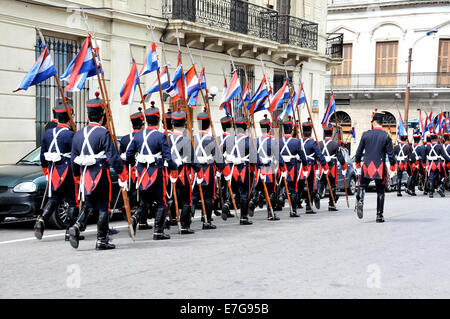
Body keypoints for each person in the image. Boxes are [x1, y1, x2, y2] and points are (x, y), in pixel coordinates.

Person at [69, 92, 128, 250]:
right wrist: (122, 173)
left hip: (85, 176)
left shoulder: (78, 135)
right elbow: (113, 157)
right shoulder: (104, 133)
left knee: (89, 204)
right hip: (101, 174)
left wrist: (76, 176)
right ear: (102, 116)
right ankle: (101, 240)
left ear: (88, 116)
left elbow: (72, 159)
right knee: (103, 207)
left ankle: (76, 226)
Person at [126, 105, 178, 239]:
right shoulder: (161, 136)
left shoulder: (137, 136)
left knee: (145, 201)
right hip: (157, 173)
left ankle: (135, 218)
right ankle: (158, 232)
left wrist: (135, 164)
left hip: (142, 173)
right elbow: (167, 157)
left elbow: (129, 155)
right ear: (158, 120)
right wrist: (174, 167)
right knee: (161, 202)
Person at [35, 98, 80, 241]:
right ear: (70, 117)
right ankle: (69, 231)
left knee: (55, 197)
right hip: (67, 170)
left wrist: (46, 171)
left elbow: (43, 154)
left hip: (54, 170)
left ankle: (41, 220)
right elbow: (75, 155)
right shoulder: (70, 134)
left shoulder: (49, 133)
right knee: (73, 201)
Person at [354, 111, 396, 223]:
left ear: (373, 123)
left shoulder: (365, 135)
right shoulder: (386, 136)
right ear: (381, 123)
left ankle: (361, 200)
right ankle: (379, 215)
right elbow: (391, 155)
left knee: (362, 186)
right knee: (380, 191)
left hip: (367, 166)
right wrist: (392, 167)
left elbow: (358, 153)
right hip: (380, 166)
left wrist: (358, 163)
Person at [119, 110, 149, 229]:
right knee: (144, 195)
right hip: (140, 170)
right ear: (142, 125)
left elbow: (121, 155)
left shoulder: (125, 139)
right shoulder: (145, 137)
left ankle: (133, 214)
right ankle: (142, 221)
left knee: (133, 193)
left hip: (128, 170)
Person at [169, 107, 196, 234]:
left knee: (167, 197)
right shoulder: (186, 140)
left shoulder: (166, 139)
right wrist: (198, 170)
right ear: (184, 125)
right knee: (186, 199)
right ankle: (185, 226)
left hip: (168, 173)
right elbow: (192, 159)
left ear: (172, 125)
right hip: (182, 173)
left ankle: (166, 221)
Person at [256, 114, 286, 220]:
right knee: (271, 191)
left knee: (259, 186)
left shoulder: (256, 141)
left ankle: (259, 195)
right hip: (269, 169)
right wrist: (283, 167)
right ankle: (270, 213)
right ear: (269, 129)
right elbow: (278, 157)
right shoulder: (272, 141)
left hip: (259, 169)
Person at [192, 109, 217, 229]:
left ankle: (186, 221)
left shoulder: (191, 138)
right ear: (208, 124)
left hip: (194, 171)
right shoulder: (211, 140)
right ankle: (206, 221)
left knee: (193, 195)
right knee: (208, 196)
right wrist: (225, 171)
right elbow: (218, 158)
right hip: (208, 170)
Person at [228, 116, 255, 225]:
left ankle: (228, 203)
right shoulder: (249, 141)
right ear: (245, 128)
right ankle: (244, 217)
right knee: (245, 193)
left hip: (233, 169)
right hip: (245, 169)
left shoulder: (230, 140)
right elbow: (254, 158)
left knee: (234, 190)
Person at [279, 117, 307, 217]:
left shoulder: (278, 141)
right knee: (293, 189)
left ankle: (277, 204)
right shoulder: (296, 142)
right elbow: (303, 157)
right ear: (291, 130)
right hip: (292, 167)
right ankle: (293, 211)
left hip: (280, 168)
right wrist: (305, 167)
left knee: (278, 186)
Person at [300, 121, 328, 214]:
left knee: (298, 186)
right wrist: (324, 165)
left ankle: (294, 207)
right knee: (310, 186)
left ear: (303, 131)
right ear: (311, 131)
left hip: (299, 167)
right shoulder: (312, 143)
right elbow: (319, 155)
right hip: (309, 166)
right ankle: (308, 206)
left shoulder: (298, 141)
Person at [318, 124, 347, 211]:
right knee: (332, 185)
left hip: (322, 167)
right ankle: (331, 204)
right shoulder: (335, 144)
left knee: (322, 183)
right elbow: (340, 157)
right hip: (331, 167)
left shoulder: (319, 144)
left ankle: (318, 195)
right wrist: (344, 167)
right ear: (331, 133)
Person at [217, 115, 235, 220]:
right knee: (230, 187)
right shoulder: (233, 139)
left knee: (223, 187)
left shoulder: (218, 138)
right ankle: (226, 205)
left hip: (219, 166)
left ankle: (223, 206)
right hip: (229, 165)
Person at [425, 130, 450, 198]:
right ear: (436, 139)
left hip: (431, 164)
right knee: (443, 176)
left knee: (431, 178)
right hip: (438, 164)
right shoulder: (439, 146)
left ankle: (431, 192)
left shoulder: (427, 147)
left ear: (431, 139)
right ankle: (440, 187)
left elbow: (424, 156)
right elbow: (444, 155)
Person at [406, 129, 425, 196]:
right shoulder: (420, 148)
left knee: (412, 176)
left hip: (409, 164)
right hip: (416, 164)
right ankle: (411, 188)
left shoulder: (410, 147)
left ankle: (411, 189)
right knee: (418, 175)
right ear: (419, 140)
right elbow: (423, 157)